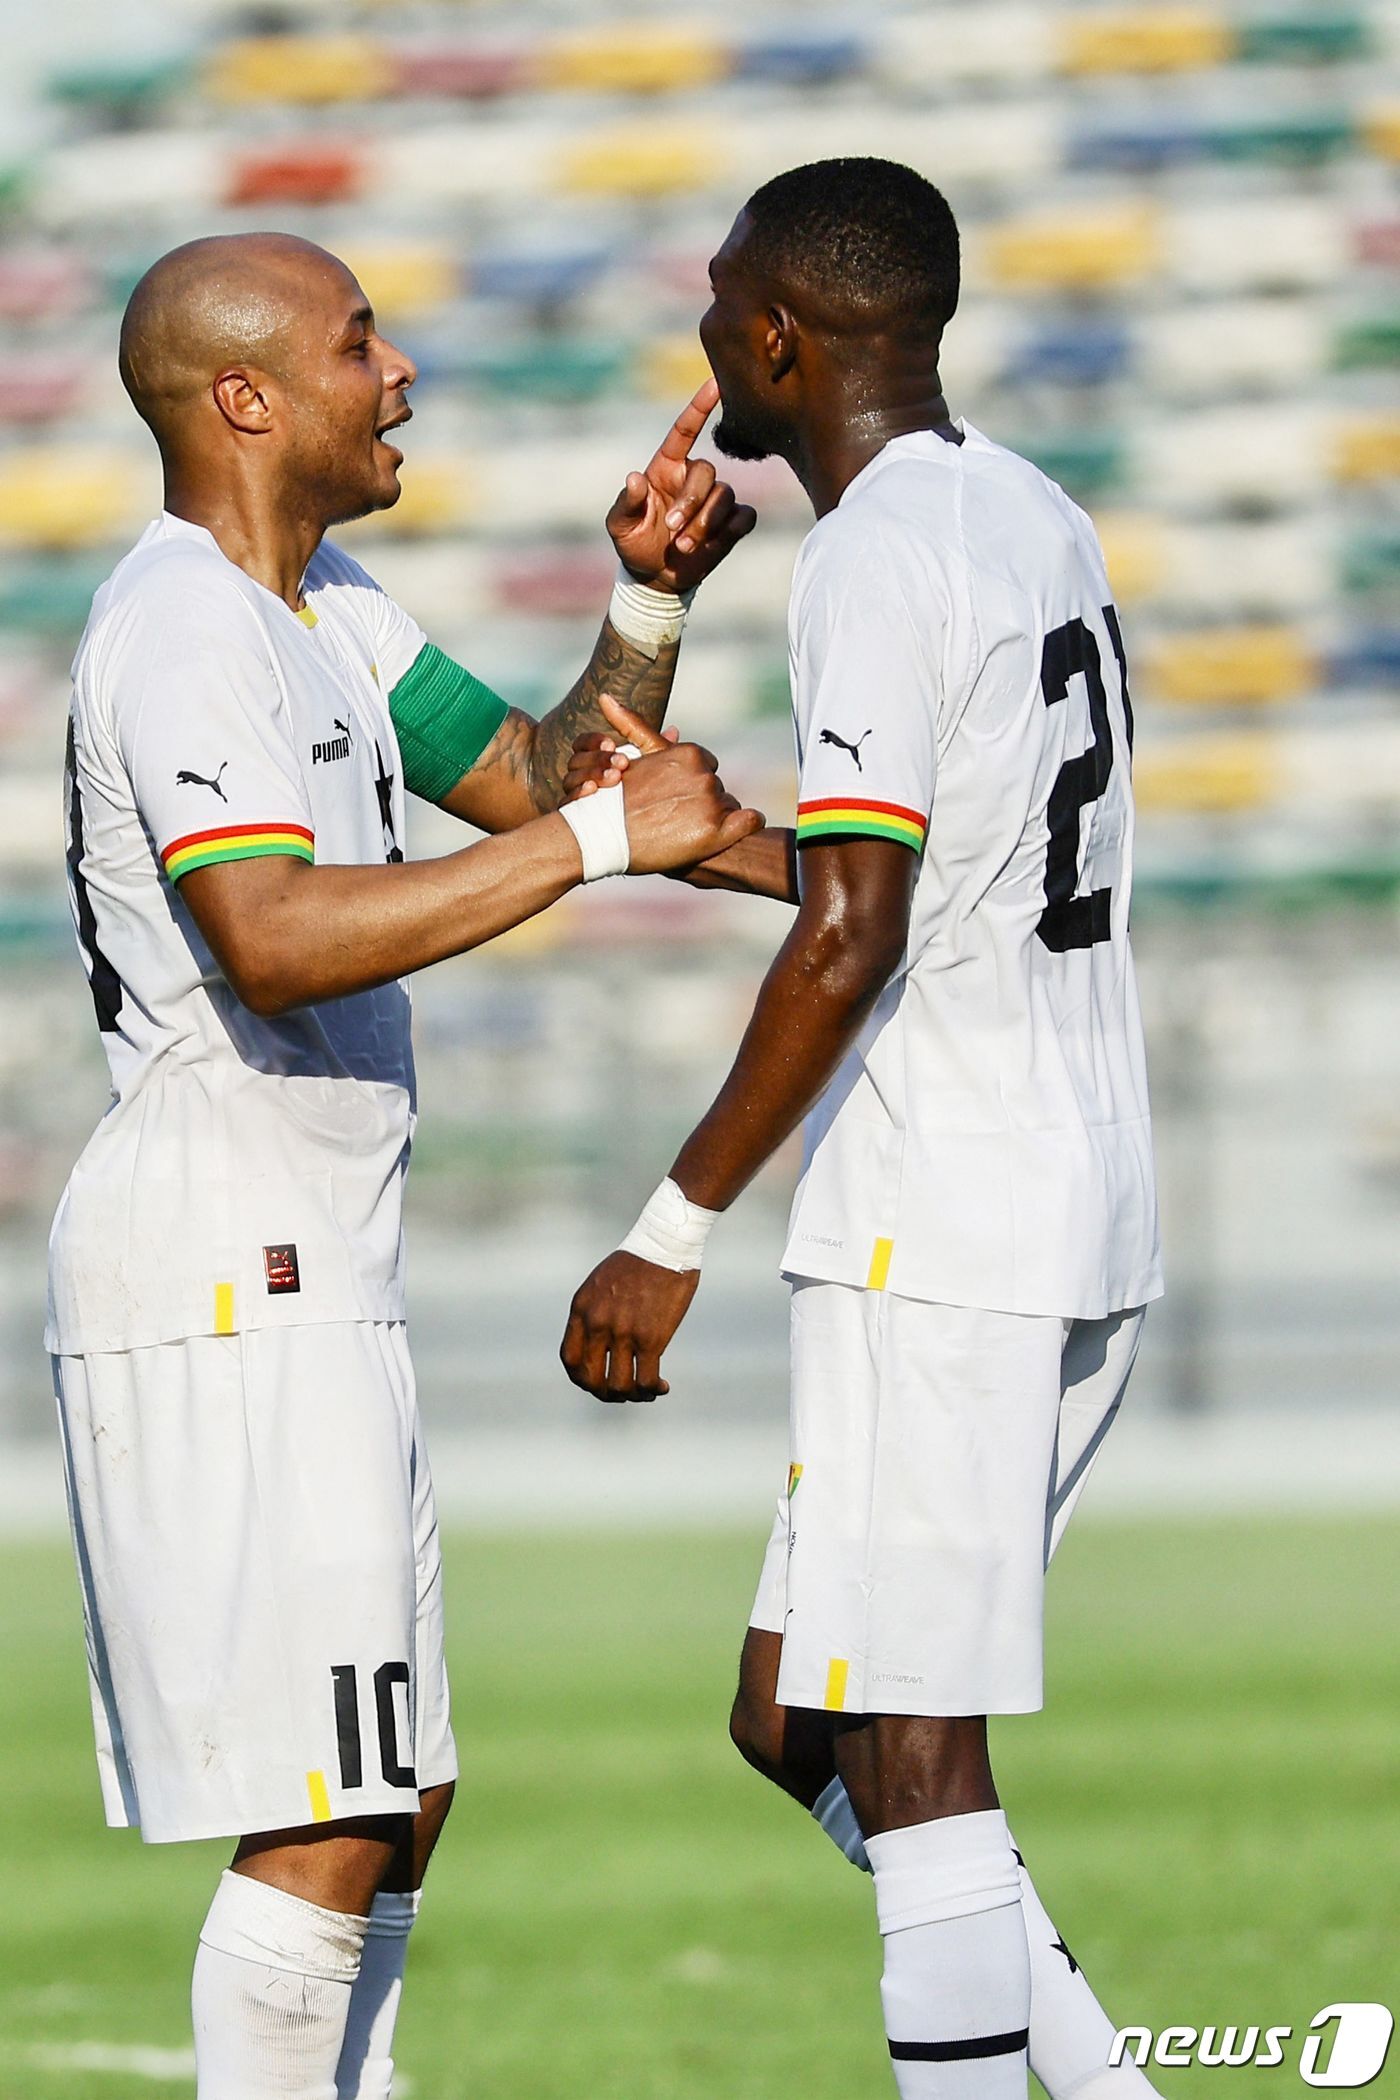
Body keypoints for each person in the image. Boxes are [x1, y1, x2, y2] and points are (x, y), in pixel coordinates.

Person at [49, 229, 761, 2100]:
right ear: (247, 397)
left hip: (310, 1258)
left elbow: (537, 775)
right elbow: (271, 935)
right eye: (363, 342)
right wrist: (605, 856)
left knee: (398, 1795)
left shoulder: (324, 607)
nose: (405, 373)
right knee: (330, 1810)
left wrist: (648, 607)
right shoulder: (186, 628)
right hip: (222, 1254)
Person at [561, 159, 1164, 2100]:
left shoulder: (880, 553)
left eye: (715, 306)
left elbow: (855, 927)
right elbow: (897, 870)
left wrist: (671, 1220)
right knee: (793, 1717)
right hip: (1070, 1177)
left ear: (774, 336)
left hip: (949, 1205)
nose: (703, 341)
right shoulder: (1028, 513)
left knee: (910, 1741)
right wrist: (670, 677)